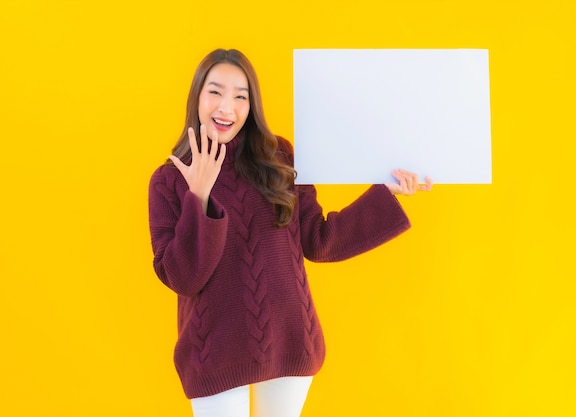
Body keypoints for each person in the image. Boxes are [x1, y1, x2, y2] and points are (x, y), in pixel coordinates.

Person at [148, 48, 432, 417]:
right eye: (215, 92)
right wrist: (198, 196)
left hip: (290, 337)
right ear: (197, 97)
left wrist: (388, 193)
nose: (226, 107)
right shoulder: (168, 181)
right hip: (213, 353)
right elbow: (183, 278)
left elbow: (319, 238)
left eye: (240, 96)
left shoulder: (279, 157)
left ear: (252, 106)